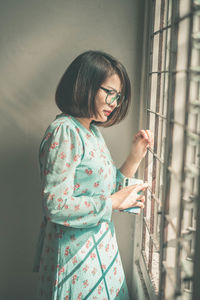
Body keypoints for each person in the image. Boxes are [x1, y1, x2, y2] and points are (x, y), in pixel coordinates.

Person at [33, 50, 154, 300]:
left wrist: (134, 157)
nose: (114, 102)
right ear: (84, 85)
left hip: (98, 253)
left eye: (118, 96)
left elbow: (106, 193)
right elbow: (55, 205)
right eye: (109, 92)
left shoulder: (90, 130)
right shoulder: (65, 131)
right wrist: (113, 202)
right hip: (74, 261)